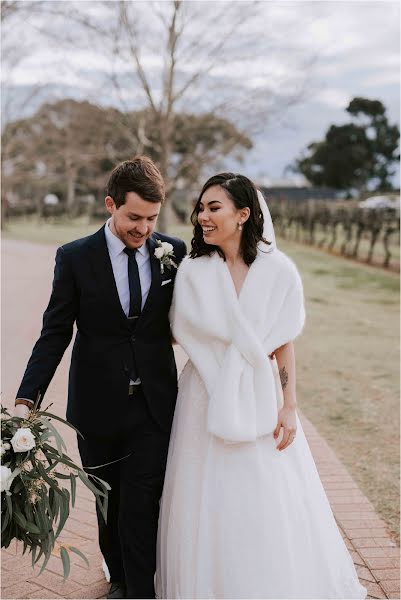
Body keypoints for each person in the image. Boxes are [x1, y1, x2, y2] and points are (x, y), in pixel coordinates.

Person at [156, 173, 366, 599]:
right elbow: (182, 332)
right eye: (201, 208)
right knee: (206, 499)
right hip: (204, 395)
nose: (202, 217)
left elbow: (284, 341)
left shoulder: (279, 271)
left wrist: (289, 405)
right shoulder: (194, 271)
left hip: (260, 394)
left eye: (214, 208)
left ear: (244, 213)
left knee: (268, 495)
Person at [15, 156, 187, 599]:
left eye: (151, 218)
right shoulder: (74, 258)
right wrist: (26, 399)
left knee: (142, 500)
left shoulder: (174, 253)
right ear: (110, 204)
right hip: (96, 407)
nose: (143, 228)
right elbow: (55, 333)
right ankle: (120, 580)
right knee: (107, 502)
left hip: (154, 405)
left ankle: (141, 590)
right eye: (134, 217)